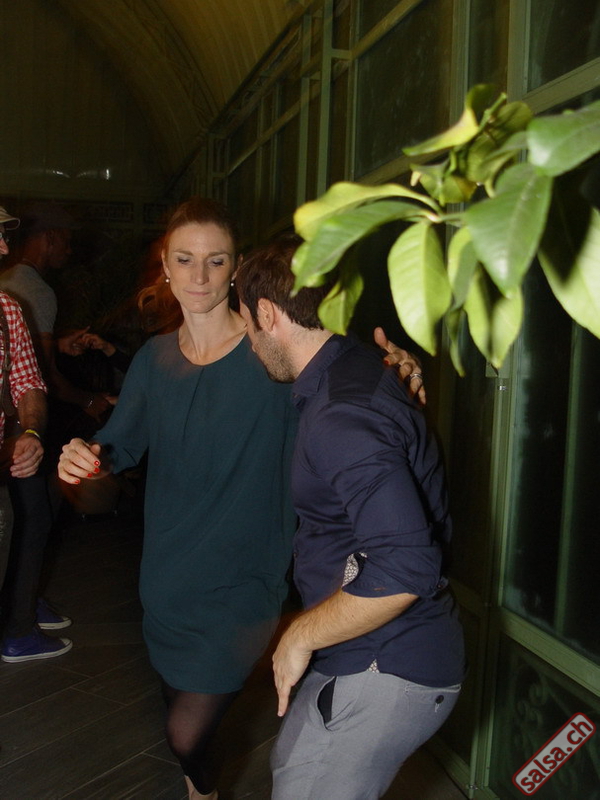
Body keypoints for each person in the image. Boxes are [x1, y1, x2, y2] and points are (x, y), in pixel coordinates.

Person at [56, 198, 425, 800]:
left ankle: (201, 788)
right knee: (180, 712)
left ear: (236, 268)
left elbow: (342, 379)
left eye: (216, 260)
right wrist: (83, 460)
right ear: (165, 269)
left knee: (184, 733)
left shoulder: (270, 353)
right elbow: (113, 454)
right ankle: (200, 789)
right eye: (184, 260)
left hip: (245, 581)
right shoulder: (153, 360)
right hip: (167, 578)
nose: (199, 276)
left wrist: (395, 372)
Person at [235, 235, 466, 800]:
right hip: (362, 647)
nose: (247, 340)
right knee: (290, 764)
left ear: (266, 313)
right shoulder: (356, 363)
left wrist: (298, 635)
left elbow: (407, 566)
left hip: (387, 661)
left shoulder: (341, 413)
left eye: (245, 324)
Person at [0, 202, 89, 662]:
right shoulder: (34, 293)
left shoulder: (8, 309)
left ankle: (18, 614)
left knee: (25, 517)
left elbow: (29, 380)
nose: (4, 249)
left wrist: (31, 433)